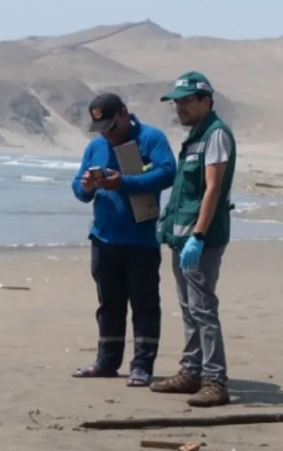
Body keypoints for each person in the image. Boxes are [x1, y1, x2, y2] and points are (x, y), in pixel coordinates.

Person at [70, 92, 176, 387]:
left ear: (125, 114)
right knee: (109, 304)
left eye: (111, 127)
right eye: (101, 129)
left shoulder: (151, 139)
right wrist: (88, 186)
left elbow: (168, 173)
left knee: (144, 305)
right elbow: (78, 190)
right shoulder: (95, 147)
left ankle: (142, 366)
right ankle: (107, 361)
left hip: (141, 240)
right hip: (104, 239)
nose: (108, 134)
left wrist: (123, 183)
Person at [150, 71, 237, 407]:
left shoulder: (216, 134)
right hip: (181, 237)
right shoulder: (196, 136)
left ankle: (215, 381)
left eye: (187, 101)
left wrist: (198, 235)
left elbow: (213, 188)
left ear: (206, 101)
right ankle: (191, 372)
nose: (180, 108)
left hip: (202, 238)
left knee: (203, 310)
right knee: (188, 309)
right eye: (177, 102)